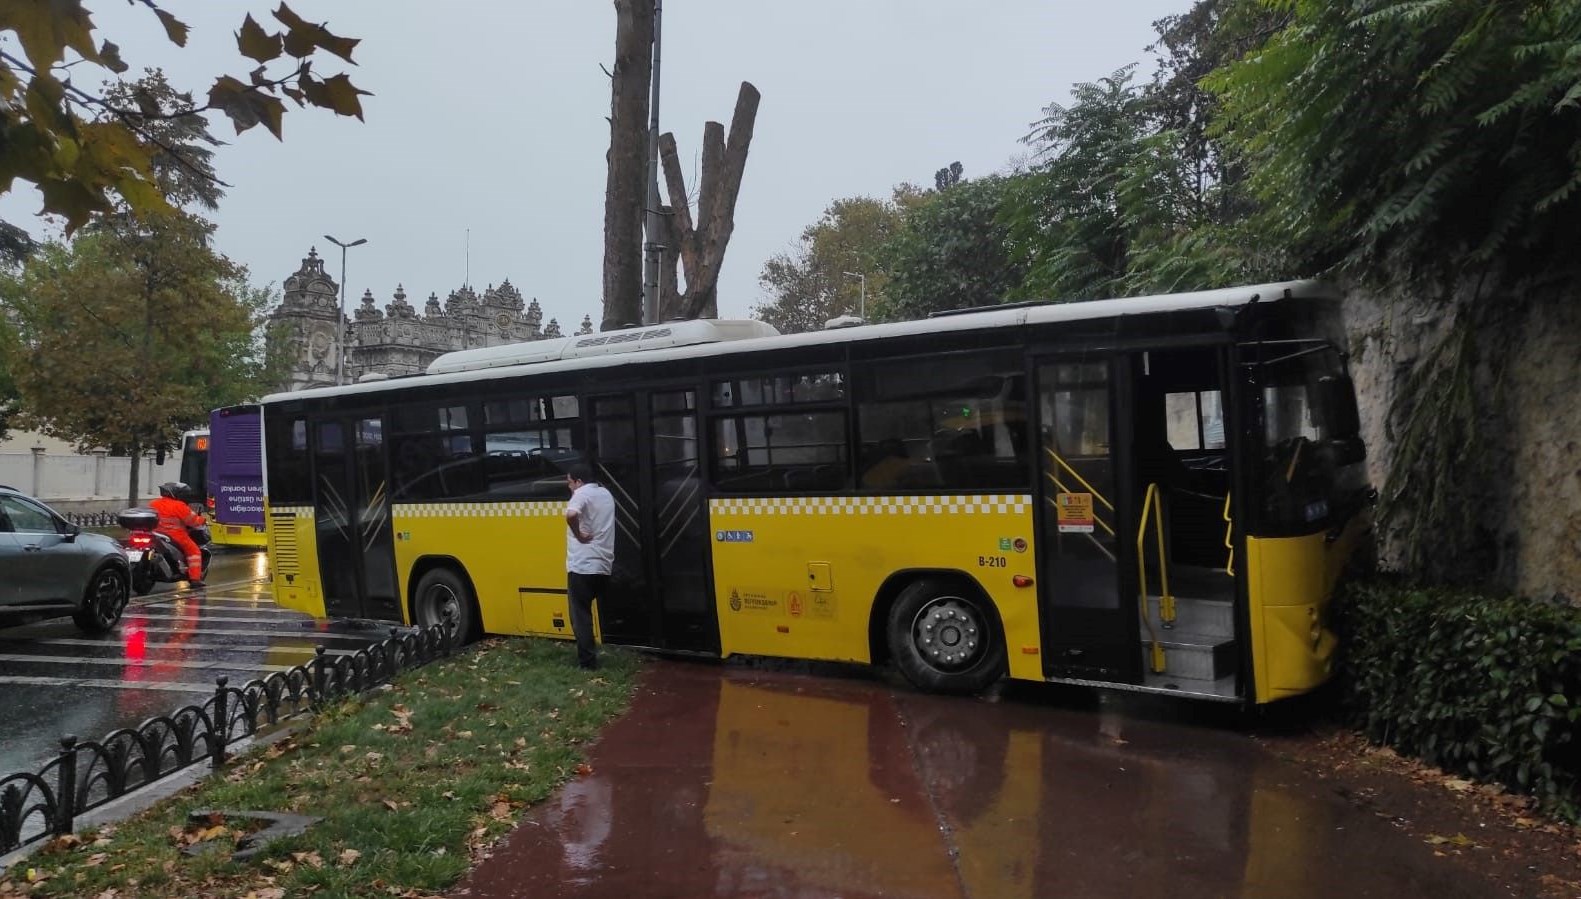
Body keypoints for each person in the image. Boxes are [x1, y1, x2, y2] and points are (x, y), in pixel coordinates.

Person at [564, 463, 615, 670]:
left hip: (582, 566)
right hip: (603, 565)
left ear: (579, 481)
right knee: (588, 611)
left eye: (569, 482)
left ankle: (587, 663)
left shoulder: (581, 493)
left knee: (580, 616)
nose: (569, 487)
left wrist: (579, 535)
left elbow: (571, 515)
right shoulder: (606, 494)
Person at [151, 482, 206, 588]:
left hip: (156, 534)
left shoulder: (154, 503)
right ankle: (195, 579)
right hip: (175, 535)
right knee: (194, 552)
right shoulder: (179, 505)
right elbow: (192, 521)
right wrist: (202, 520)